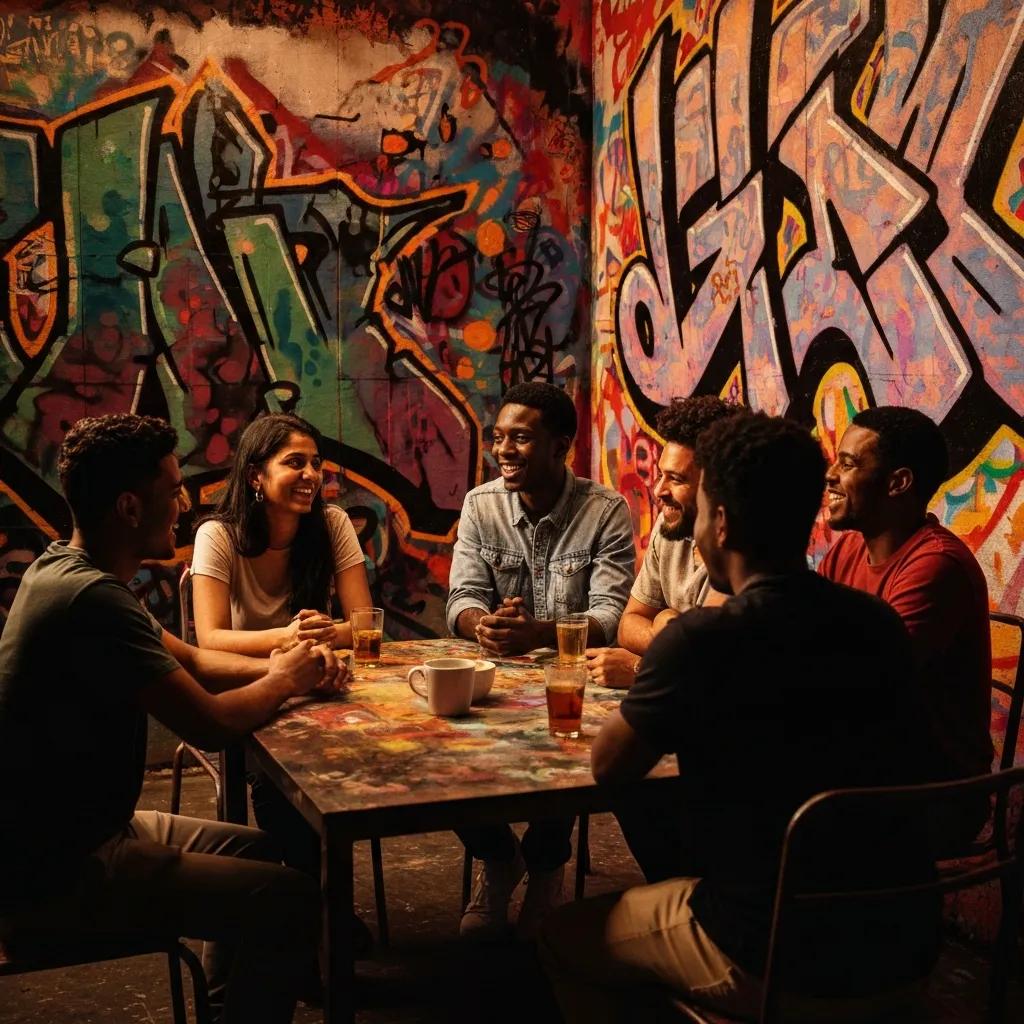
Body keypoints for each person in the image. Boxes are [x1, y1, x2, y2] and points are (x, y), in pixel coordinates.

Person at [539, 413, 940, 1021]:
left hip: (774, 953)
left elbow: (609, 765)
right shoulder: (876, 624)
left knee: (562, 936)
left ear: (720, 521)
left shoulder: (701, 639)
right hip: (905, 948)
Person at [0, 414, 345, 1024]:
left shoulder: (67, 569)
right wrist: (284, 679)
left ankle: (220, 1011)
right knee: (292, 898)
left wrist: (301, 663)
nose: (184, 503)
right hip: (58, 869)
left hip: (91, 831)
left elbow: (191, 659)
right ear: (131, 508)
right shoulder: (92, 601)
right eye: (172, 489)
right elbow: (211, 723)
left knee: (263, 853)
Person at [446, 381, 635, 939]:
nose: (504, 450)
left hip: (573, 682)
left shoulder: (605, 511)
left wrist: (539, 635)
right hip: (496, 681)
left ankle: (548, 866)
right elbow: (461, 599)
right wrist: (486, 626)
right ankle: (499, 856)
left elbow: (610, 613)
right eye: (499, 437)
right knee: (436, 751)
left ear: (561, 447)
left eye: (521, 438)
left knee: (570, 739)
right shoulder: (482, 504)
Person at [190, 411, 374, 954]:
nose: (311, 475)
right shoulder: (217, 535)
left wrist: (323, 631)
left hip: (319, 679)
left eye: (316, 464)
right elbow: (210, 639)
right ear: (254, 476)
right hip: (252, 689)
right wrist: (286, 637)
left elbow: (365, 624)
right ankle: (316, 906)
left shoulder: (332, 524)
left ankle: (315, 904)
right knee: (278, 781)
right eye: (294, 463)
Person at [819, 406, 992, 848]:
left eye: (849, 463)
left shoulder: (935, 566)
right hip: (866, 763)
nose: (831, 475)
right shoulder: (848, 552)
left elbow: (860, 683)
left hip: (931, 792)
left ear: (898, 483)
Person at [585, 395, 738, 689]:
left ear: (716, 486)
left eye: (676, 479)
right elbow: (629, 622)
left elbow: (720, 669)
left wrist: (643, 668)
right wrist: (665, 632)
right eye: (660, 475)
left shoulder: (743, 552)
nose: (658, 490)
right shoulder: (671, 526)